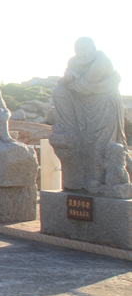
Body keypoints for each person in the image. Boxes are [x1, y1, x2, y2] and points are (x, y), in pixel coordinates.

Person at [51, 37, 126, 190]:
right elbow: (64, 84)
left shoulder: (101, 61)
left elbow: (85, 87)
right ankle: (69, 129)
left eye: (85, 48)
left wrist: (71, 80)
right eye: (79, 48)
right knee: (58, 92)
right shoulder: (73, 62)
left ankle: (99, 179)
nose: (82, 52)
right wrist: (67, 79)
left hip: (104, 103)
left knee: (101, 144)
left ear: (93, 48)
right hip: (81, 102)